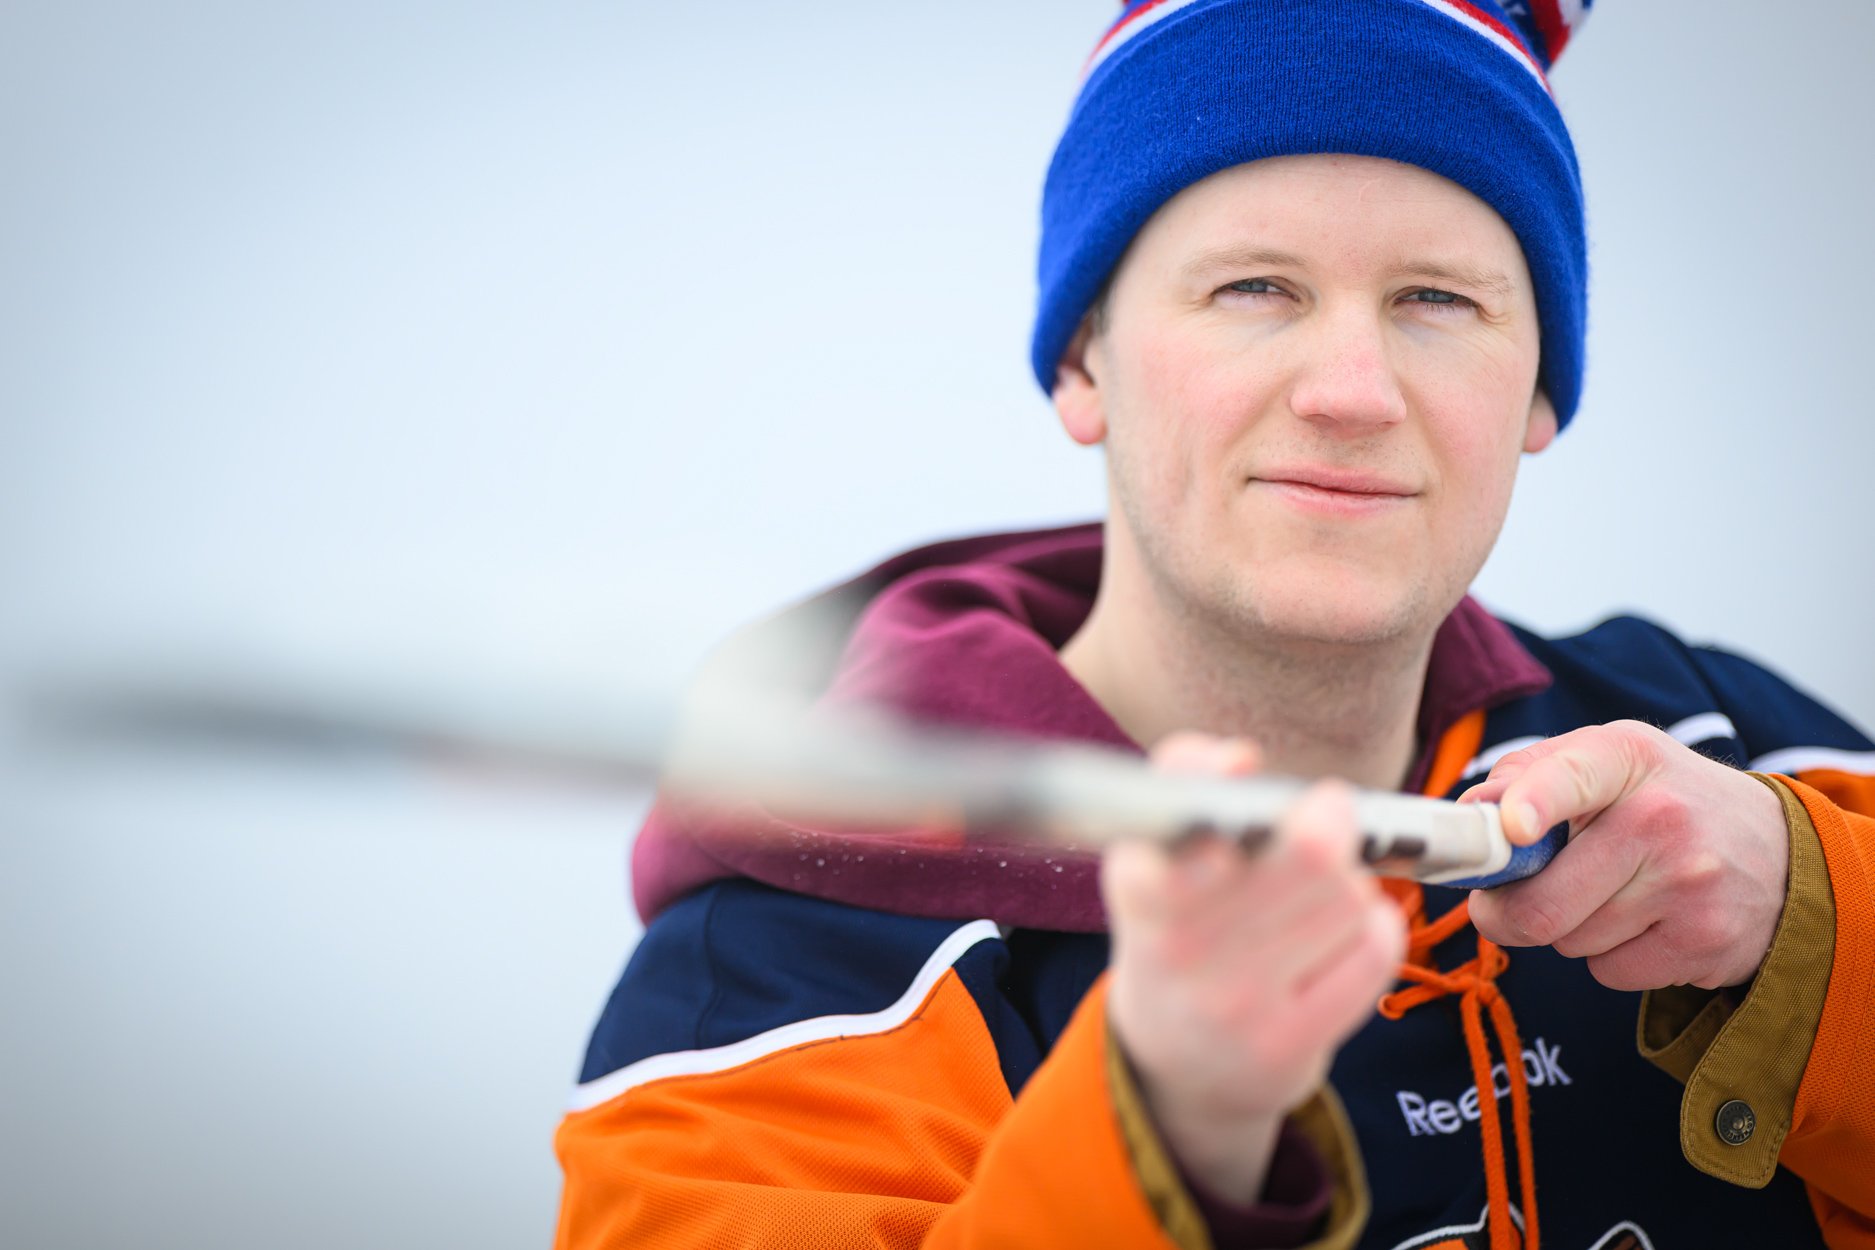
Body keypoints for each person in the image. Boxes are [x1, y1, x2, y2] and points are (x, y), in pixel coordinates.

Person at [554, 3, 1875, 1247]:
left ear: (1540, 386)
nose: (1352, 390)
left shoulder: (1745, 761)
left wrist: (1814, 933)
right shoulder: (781, 971)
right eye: (1256, 287)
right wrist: (1161, 1126)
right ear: (1085, 362)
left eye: (1439, 298)